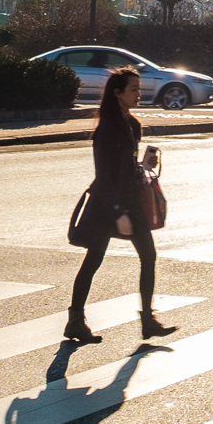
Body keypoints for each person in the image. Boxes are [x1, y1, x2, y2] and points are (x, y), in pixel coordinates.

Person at [64, 66, 176, 343]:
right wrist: (118, 213)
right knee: (93, 261)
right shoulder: (107, 129)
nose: (140, 93)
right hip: (107, 205)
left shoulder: (132, 125)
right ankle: (75, 320)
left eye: (139, 88)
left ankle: (148, 320)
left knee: (148, 257)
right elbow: (104, 176)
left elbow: (123, 167)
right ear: (117, 93)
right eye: (133, 89)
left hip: (131, 201)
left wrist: (142, 166)